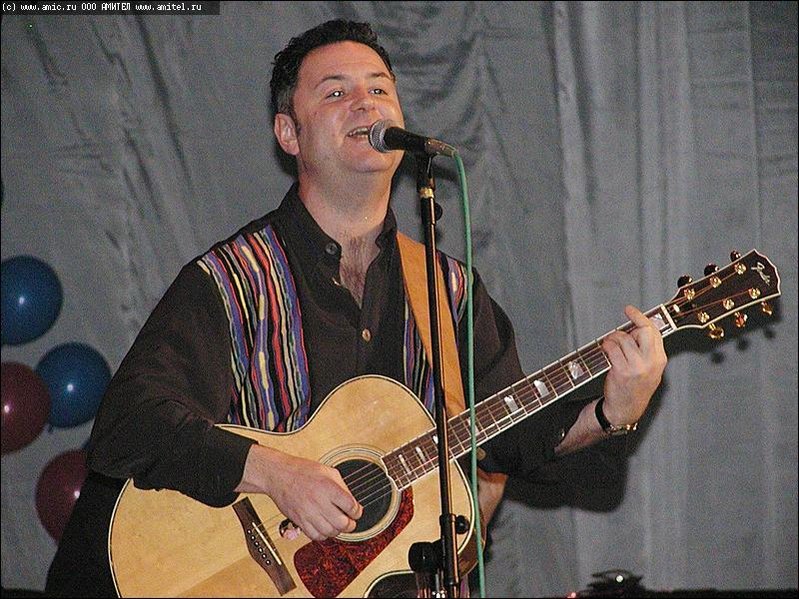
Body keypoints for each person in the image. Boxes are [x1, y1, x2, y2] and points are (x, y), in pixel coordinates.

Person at [45, 19, 667, 597]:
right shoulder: (234, 279)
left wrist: (614, 411)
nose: (366, 104)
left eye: (379, 89)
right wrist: (275, 474)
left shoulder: (448, 290)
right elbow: (129, 423)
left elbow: (519, 439)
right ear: (289, 134)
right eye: (336, 93)